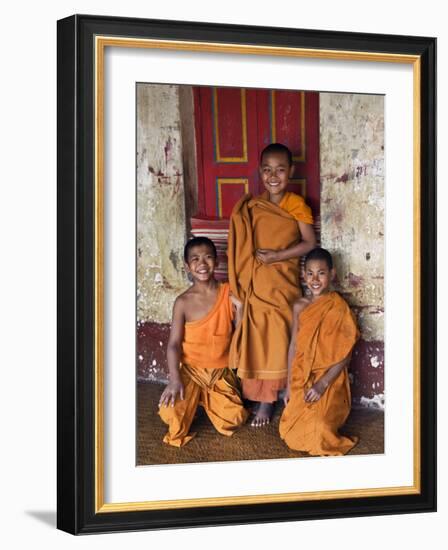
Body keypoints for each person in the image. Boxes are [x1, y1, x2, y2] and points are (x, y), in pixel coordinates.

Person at [228, 143, 316, 427]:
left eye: (280, 170)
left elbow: (309, 243)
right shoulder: (254, 206)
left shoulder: (296, 204)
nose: (274, 176)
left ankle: (268, 400)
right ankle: (256, 394)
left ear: (290, 171)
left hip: (282, 282)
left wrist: (277, 256)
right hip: (257, 282)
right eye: (267, 170)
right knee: (256, 335)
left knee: (278, 335)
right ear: (260, 172)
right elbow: (243, 243)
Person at [159, 236, 248, 447]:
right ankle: (194, 399)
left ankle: (205, 401)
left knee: (233, 419)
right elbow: (173, 345)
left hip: (220, 370)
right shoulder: (182, 302)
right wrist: (174, 379)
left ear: (216, 262)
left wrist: (241, 309)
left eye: (208, 258)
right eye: (195, 259)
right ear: (187, 266)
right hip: (190, 370)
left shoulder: (228, 292)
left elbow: (241, 334)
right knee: (169, 414)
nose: (202, 264)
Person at [279, 247, 359, 456]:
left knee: (320, 429)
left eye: (321, 273)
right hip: (302, 374)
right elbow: (294, 345)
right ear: (303, 275)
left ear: (332, 274)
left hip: (330, 378)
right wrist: (289, 386)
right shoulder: (299, 306)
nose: (315, 279)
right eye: (310, 273)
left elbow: (346, 353)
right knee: (289, 432)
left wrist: (323, 384)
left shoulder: (339, 308)